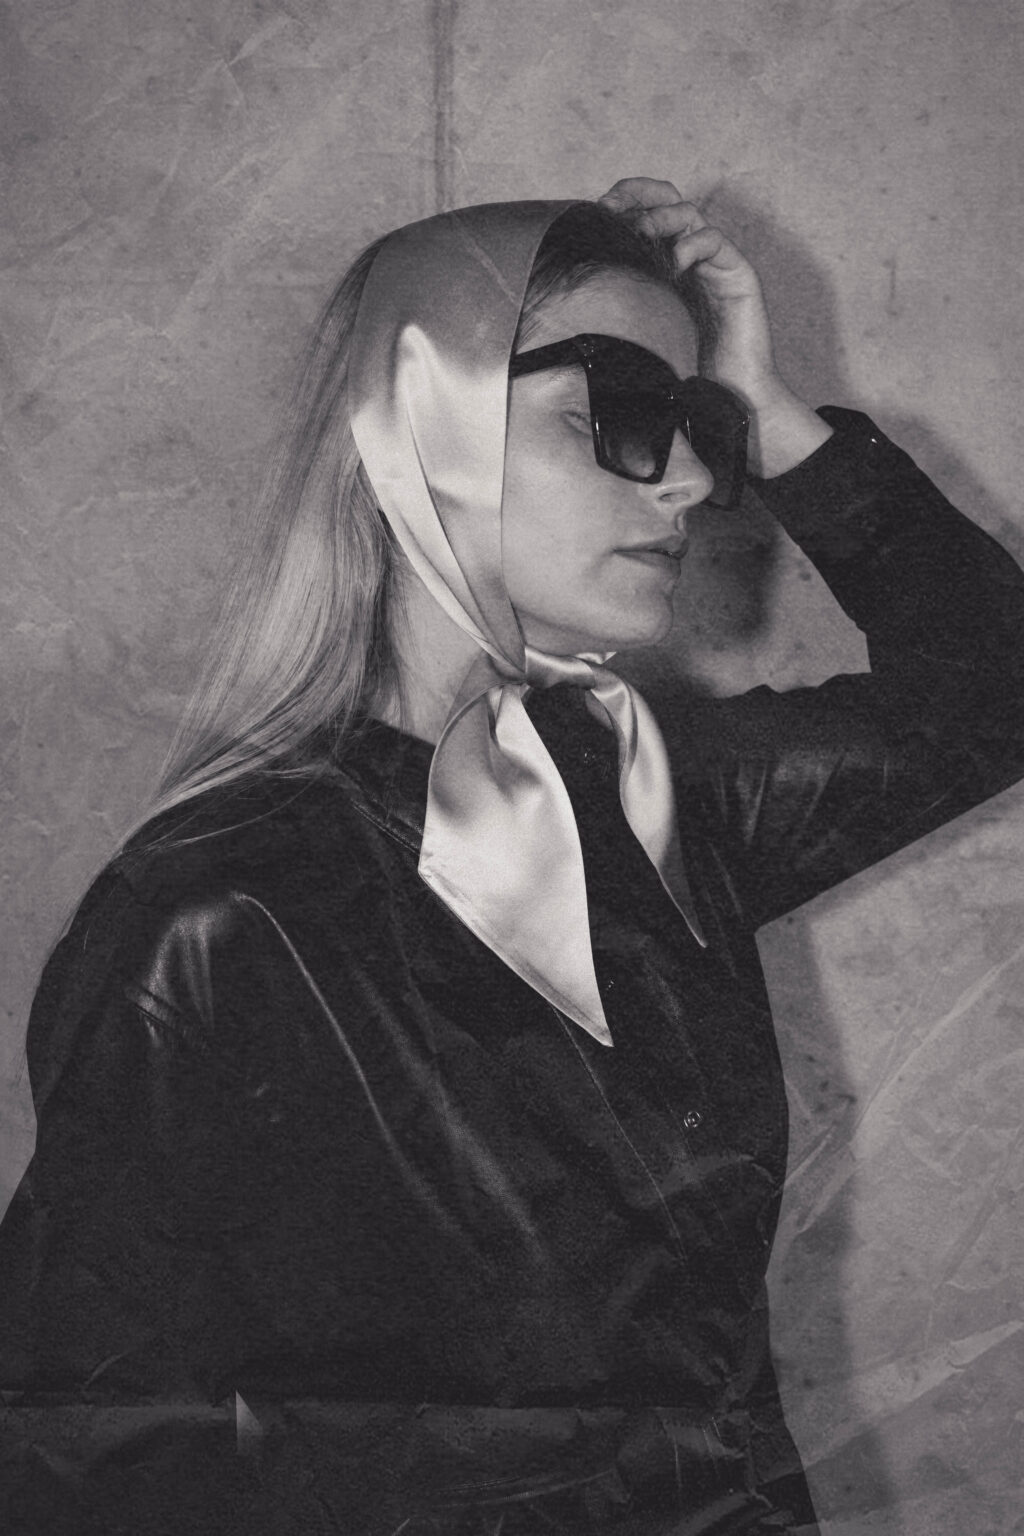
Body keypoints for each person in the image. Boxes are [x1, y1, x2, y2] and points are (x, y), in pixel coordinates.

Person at [1, 177, 1023, 1536]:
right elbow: (84, 1458)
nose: (694, 480)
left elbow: (993, 691)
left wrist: (772, 412)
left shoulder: (650, 802)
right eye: (623, 411)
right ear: (422, 412)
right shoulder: (220, 914)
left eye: (699, 425)